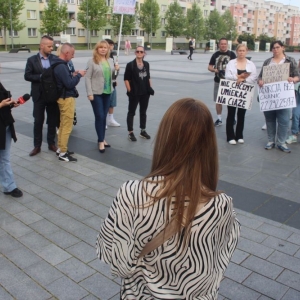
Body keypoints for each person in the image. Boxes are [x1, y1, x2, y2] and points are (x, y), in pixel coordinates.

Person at [96, 98, 240, 299]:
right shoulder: (221, 205)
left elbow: (117, 263)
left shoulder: (132, 194)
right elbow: (216, 266)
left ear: (165, 137)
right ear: (210, 144)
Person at [258, 40, 299, 153]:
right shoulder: (267, 62)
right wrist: (260, 81)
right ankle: (271, 141)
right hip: (269, 97)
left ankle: (281, 142)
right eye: (273, 48)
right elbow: (260, 77)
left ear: (282, 48)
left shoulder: (290, 60)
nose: (275, 50)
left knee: (284, 120)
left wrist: (293, 79)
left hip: (284, 97)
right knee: (270, 119)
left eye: (277, 47)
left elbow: (297, 76)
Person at [24, 35, 59, 156]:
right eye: (49, 46)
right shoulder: (32, 60)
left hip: (52, 95)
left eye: (52, 46)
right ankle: (37, 146)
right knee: (38, 121)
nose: (51, 48)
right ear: (42, 46)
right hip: (38, 95)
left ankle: (51, 143)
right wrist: (40, 77)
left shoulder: (54, 58)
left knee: (52, 120)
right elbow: (27, 76)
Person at [52, 43, 86, 162]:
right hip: (66, 98)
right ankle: (63, 152)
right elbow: (69, 84)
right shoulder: (61, 66)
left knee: (62, 124)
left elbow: (64, 80)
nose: (73, 56)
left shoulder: (57, 63)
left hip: (62, 97)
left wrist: (72, 74)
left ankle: (61, 148)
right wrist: (79, 76)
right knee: (67, 126)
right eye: (72, 54)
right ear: (66, 53)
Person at [85, 40, 119, 153]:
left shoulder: (110, 60)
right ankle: (100, 141)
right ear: (97, 49)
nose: (103, 49)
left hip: (108, 92)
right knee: (99, 116)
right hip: (96, 92)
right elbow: (87, 78)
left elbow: (113, 77)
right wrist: (89, 93)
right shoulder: (92, 61)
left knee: (103, 116)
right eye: (101, 47)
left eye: (105, 47)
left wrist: (117, 70)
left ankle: (102, 138)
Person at [225, 44, 257, 144]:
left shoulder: (251, 64)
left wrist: (243, 79)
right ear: (236, 51)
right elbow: (227, 75)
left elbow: (254, 77)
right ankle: (230, 136)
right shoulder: (231, 63)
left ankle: (239, 135)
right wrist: (237, 78)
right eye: (239, 51)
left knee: (242, 114)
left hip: (244, 92)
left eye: (243, 51)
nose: (241, 52)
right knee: (231, 113)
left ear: (246, 51)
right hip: (232, 91)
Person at [124, 46, 154, 142]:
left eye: (141, 51)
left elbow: (148, 77)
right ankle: (130, 132)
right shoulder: (130, 65)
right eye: (138, 51)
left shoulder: (146, 64)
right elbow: (126, 79)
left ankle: (143, 130)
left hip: (145, 93)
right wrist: (130, 91)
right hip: (135, 92)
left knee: (143, 112)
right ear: (135, 53)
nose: (139, 53)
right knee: (131, 112)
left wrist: (150, 88)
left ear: (144, 53)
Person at [0, 82, 23, 198]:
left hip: (6, 124)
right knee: (4, 158)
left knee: (4, 157)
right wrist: (1, 104)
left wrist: (11, 104)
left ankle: (8, 185)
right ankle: (9, 186)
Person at [208, 38, 236, 126]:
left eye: (225, 44)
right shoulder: (215, 55)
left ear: (227, 45)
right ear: (219, 45)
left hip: (229, 82)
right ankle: (219, 119)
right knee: (218, 101)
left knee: (230, 101)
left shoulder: (232, 54)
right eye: (221, 44)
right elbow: (209, 67)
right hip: (218, 81)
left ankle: (232, 118)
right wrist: (214, 70)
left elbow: (237, 66)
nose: (223, 45)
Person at [105, 39, 121, 127]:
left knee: (112, 102)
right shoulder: (103, 57)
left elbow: (115, 70)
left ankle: (111, 119)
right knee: (106, 102)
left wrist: (115, 77)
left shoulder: (114, 56)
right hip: (105, 83)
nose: (111, 47)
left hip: (113, 82)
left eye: (112, 45)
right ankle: (103, 120)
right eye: (109, 45)